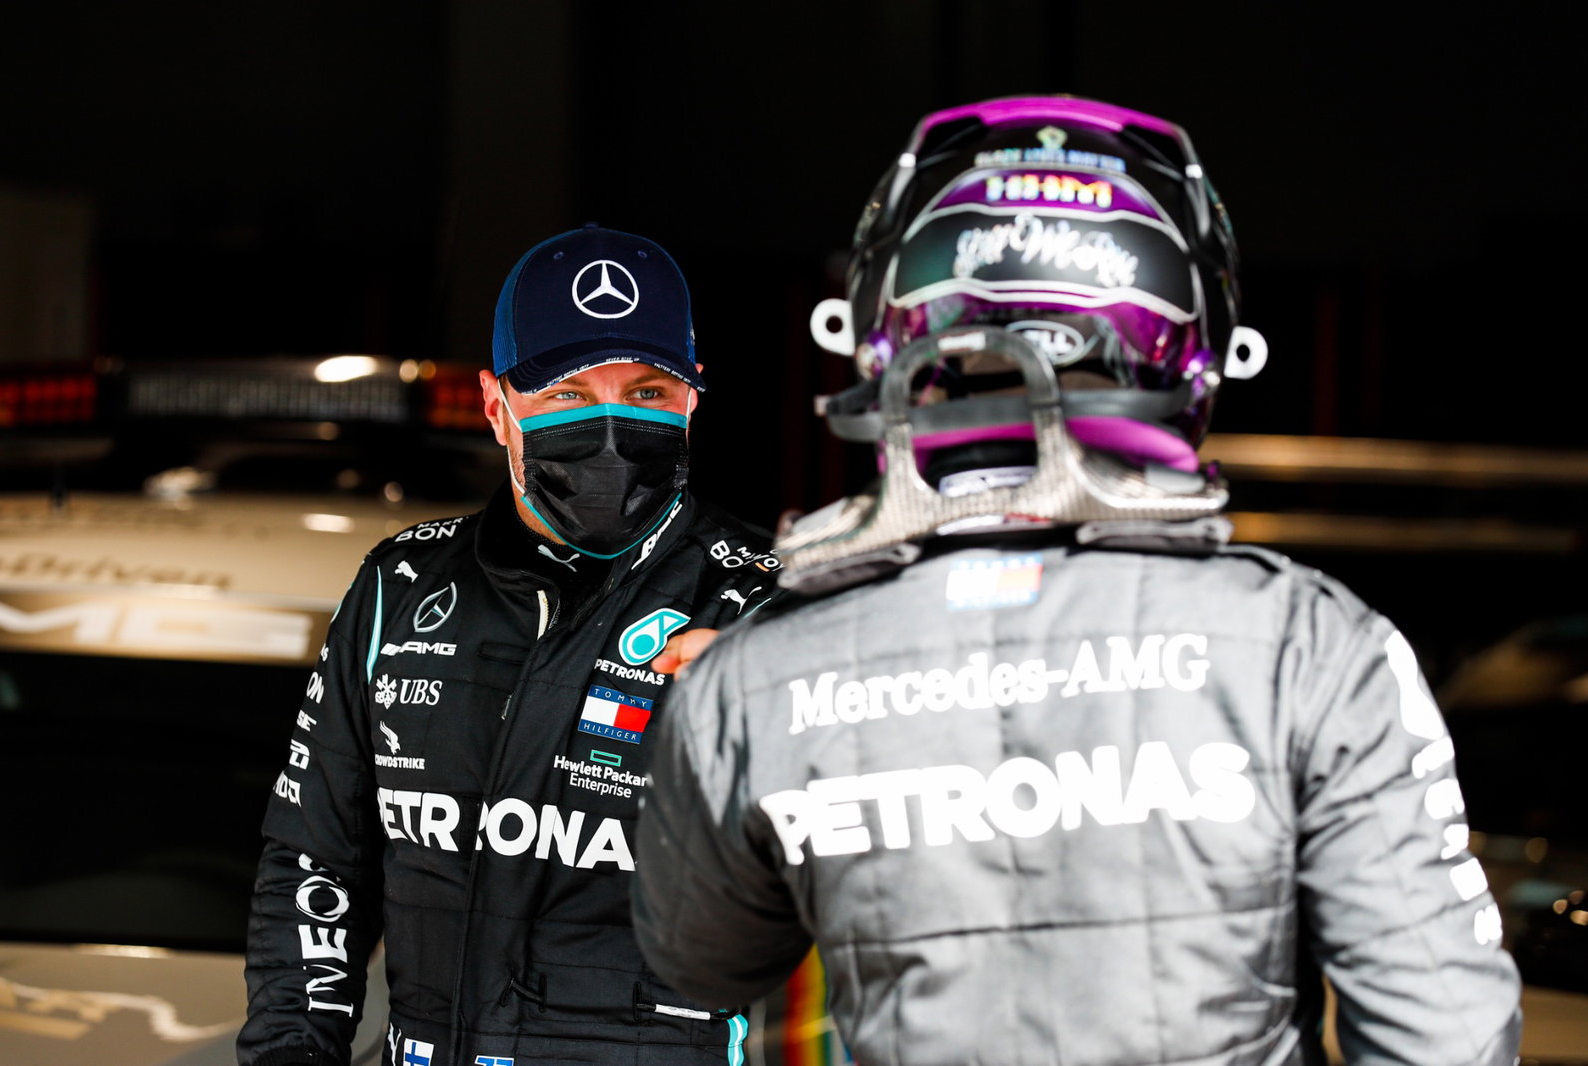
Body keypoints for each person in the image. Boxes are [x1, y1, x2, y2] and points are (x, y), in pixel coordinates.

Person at [631, 97, 1524, 1065]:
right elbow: (1447, 1033)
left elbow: (699, 961)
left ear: (883, 336)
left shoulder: (755, 678)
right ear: (1198, 347)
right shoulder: (1309, 649)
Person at [239, 224, 781, 1066]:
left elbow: (878, 893)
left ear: (693, 400)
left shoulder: (769, 609)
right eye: (567, 394)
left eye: (648, 391)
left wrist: (781, 723)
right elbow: (315, 867)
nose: (611, 427)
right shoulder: (400, 586)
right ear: (496, 408)